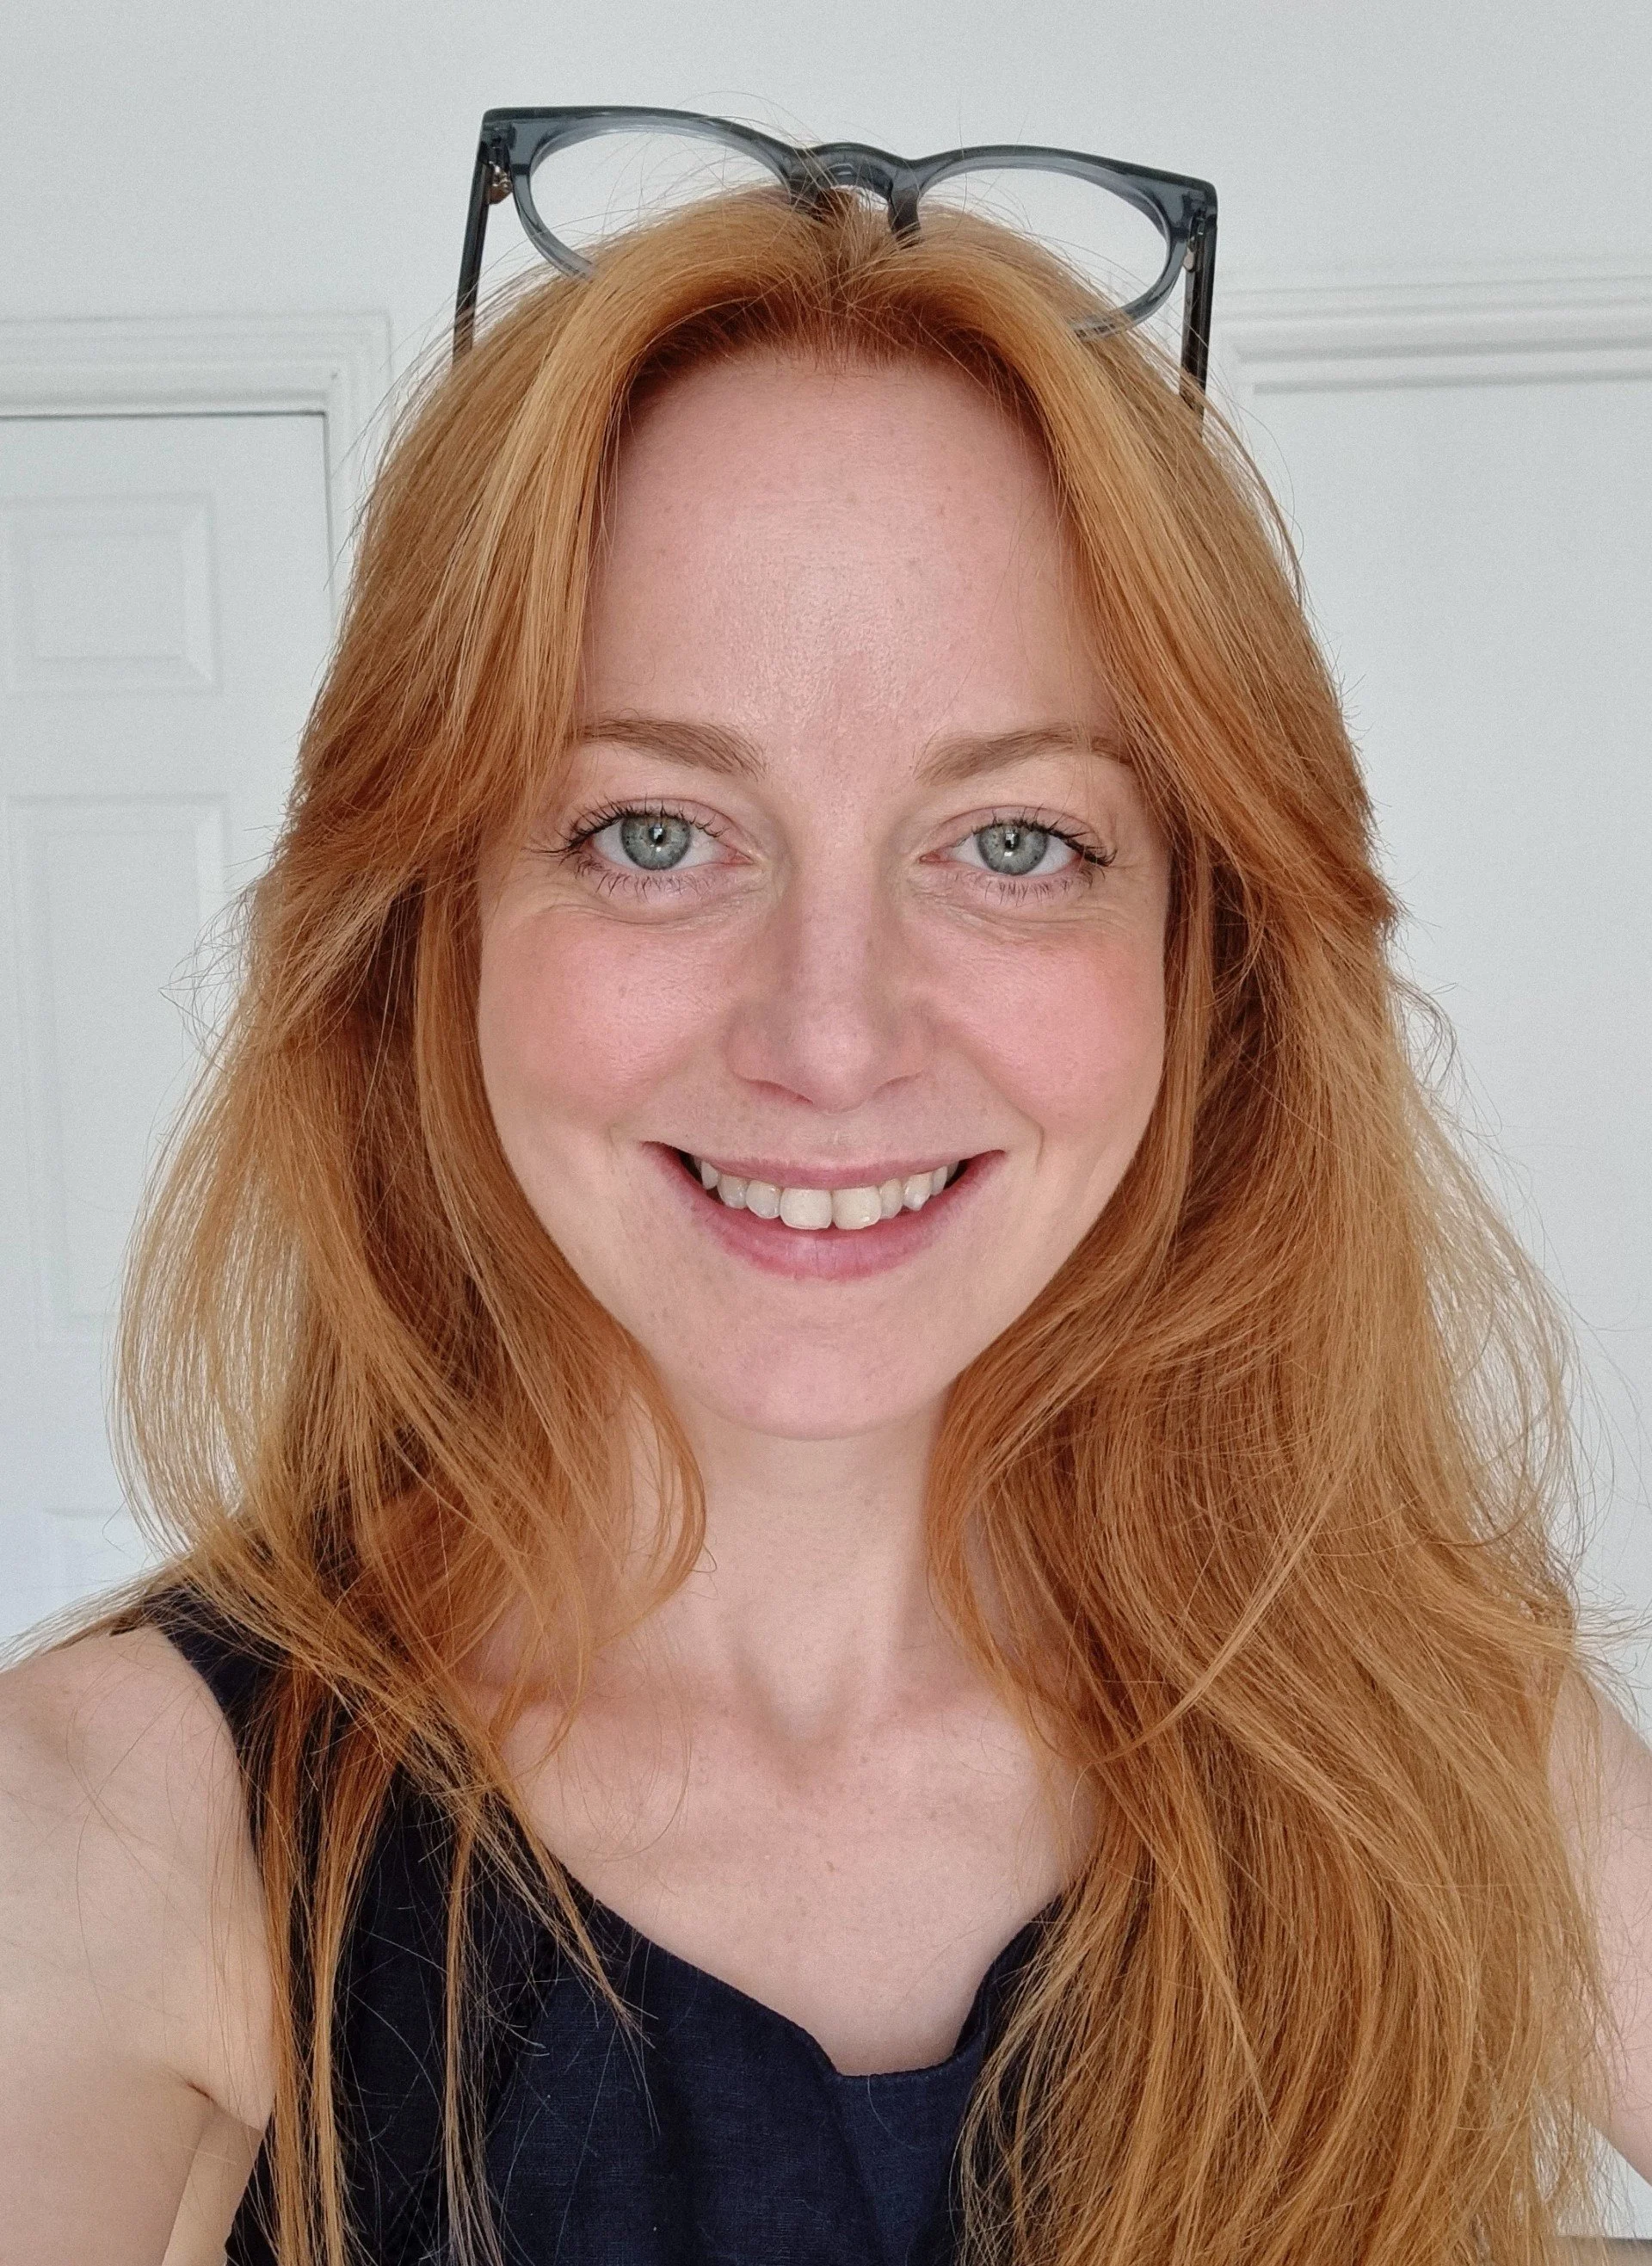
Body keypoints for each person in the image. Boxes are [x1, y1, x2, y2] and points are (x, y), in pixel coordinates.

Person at [0, 162, 1649, 2266]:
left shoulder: (1431, 1742)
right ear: (432, 929)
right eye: (657, 828)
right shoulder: (111, 1831)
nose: (832, 1032)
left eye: (1020, 841)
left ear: (1204, 959)